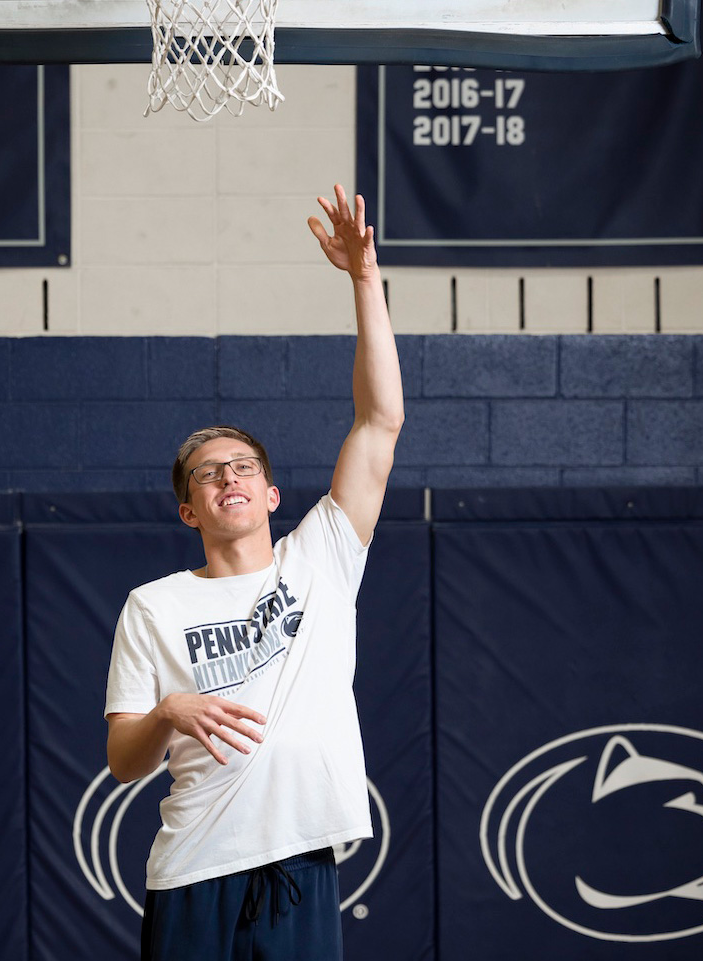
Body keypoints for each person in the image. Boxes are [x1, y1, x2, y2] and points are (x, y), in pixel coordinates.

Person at [104, 185, 403, 961]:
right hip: (193, 869)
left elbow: (379, 421)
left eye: (243, 466)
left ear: (270, 493)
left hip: (298, 866)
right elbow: (122, 761)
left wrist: (363, 280)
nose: (227, 476)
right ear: (188, 510)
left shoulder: (322, 558)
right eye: (207, 473)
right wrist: (168, 711)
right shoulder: (153, 605)